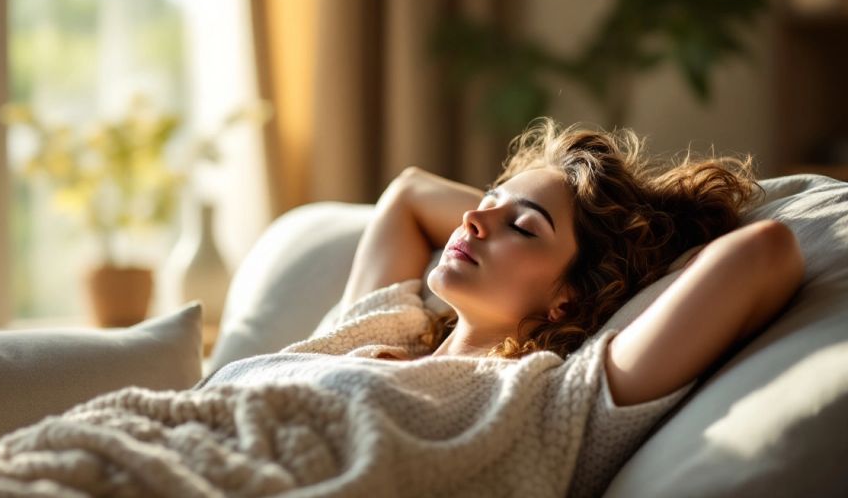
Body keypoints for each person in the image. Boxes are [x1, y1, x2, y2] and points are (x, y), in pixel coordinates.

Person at [338, 117, 804, 406]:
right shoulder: (381, 326)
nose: (472, 218)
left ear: (569, 297)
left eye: (523, 227)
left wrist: (639, 267)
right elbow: (409, 193)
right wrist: (515, 214)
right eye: (488, 199)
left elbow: (765, 250)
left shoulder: (548, 396)